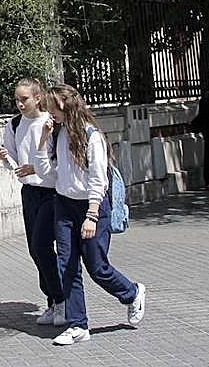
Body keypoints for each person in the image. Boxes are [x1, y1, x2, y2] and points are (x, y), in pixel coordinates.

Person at [41, 84, 145, 346]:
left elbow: (99, 179)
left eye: (53, 106)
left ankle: (132, 293)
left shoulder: (91, 136)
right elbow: (50, 171)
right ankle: (78, 325)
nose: (49, 112)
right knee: (67, 265)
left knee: (97, 267)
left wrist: (92, 215)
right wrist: (44, 139)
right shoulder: (57, 133)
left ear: (66, 106)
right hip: (64, 206)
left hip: (91, 207)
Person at [0, 77, 65, 326]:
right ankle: (53, 300)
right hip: (30, 192)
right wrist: (7, 158)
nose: (20, 104)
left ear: (38, 98)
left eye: (24, 99)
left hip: (52, 192)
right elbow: (15, 161)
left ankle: (62, 299)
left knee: (41, 246)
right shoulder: (14, 125)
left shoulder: (50, 123)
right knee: (35, 250)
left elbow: (59, 161)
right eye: (17, 99)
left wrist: (35, 169)